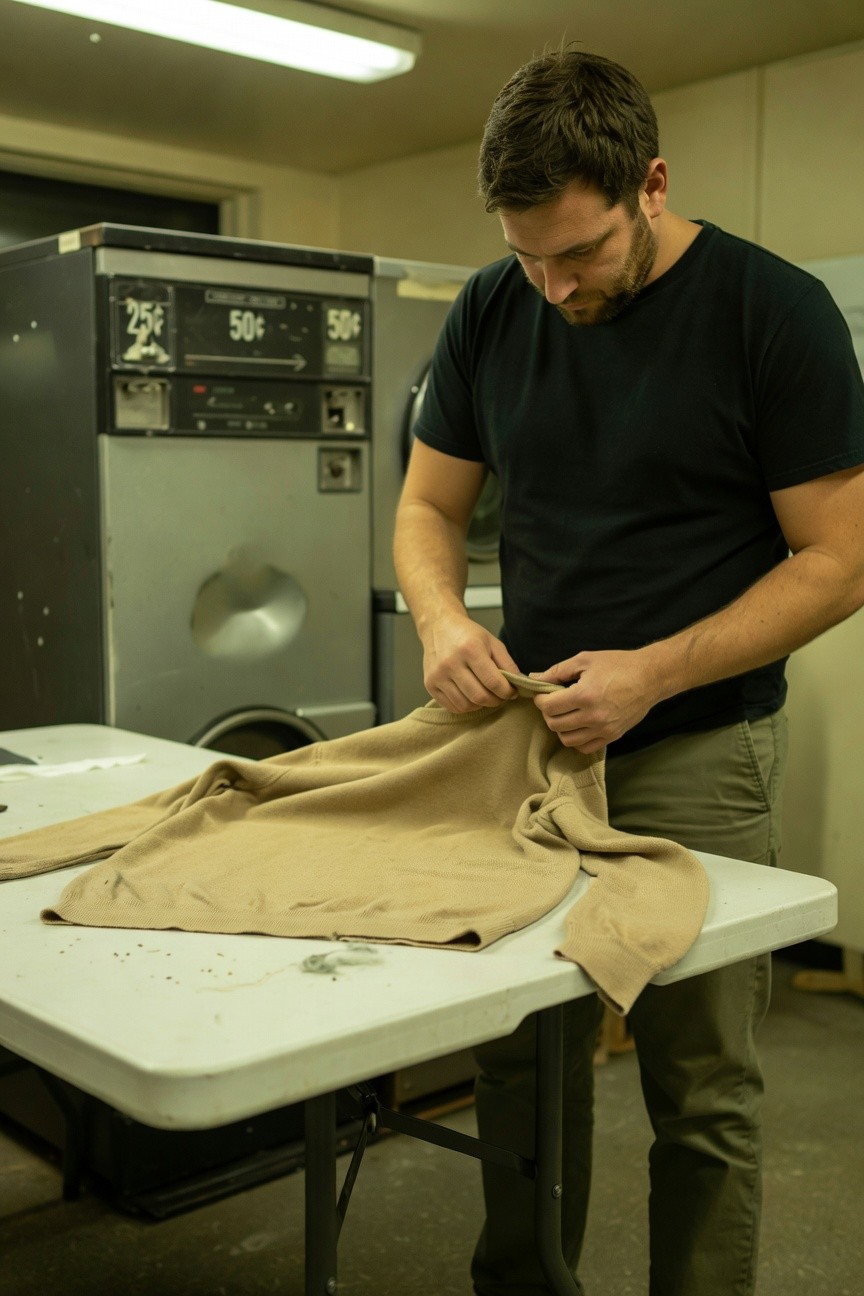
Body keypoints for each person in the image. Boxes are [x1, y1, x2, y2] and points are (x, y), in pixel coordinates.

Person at [392, 47, 864, 1296]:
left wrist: (653, 672)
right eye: (526, 257)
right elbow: (428, 508)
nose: (553, 289)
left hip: (698, 748)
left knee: (700, 1084)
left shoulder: (774, 313)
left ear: (651, 186)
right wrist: (441, 623)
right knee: (520, 1057)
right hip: (529, 753)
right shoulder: (491, 307)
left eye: (581, 254)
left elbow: (841, 559)